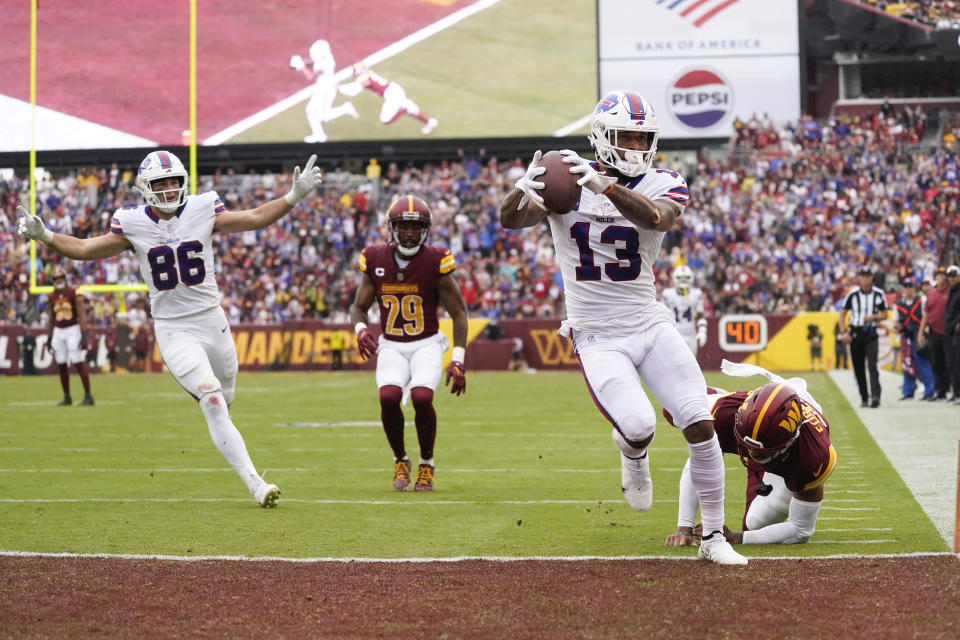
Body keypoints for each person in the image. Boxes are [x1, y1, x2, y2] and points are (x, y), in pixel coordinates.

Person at [499, 90, 746, 565]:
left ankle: (713, 537)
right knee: (639, 426)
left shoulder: (663, 181)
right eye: (626, 136)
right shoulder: (567, 183)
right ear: (603, 137)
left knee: (699, 417)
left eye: (642, 137)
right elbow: (510, 220)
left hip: (649, 321)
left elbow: (659, 216)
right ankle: (632, 453)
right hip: (596, 331)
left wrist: (605, 187)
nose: (635, 145)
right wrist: (523, 187)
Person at [17, 149, 323, 507]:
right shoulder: (131, 222)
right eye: (160, 184)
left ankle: (224, 424)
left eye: (173, 182)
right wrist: (46, 236)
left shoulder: (203, 207)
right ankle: (256, 484)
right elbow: (85, 249)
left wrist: (293, 196)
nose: (168, 189)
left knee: (225, 397)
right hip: (174, 328)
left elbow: (254, 217)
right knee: (210, 398)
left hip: (213, 321)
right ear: (145, 188)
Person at [350, 195, 468, 492]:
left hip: (426, 343)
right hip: (391, 343)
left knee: (422, 398)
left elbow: (459, 313)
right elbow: (357, 307)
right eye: (404, 226)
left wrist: (458, 358)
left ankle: (426, 464)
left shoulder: (435, 260)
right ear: (392, 228)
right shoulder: (375, 258)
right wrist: (361, 328)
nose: (410, 233)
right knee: (388, 397)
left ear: (426, 230)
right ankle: (401, 458)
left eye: (416, 228)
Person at [663, 361, 836, 547]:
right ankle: (715, 395)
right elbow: (700, 457)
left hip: (785, 454)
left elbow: (800, 530)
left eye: (761, 451)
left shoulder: (812, 457)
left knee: (754, 524)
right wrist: (684, 528)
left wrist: (737, 538)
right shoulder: (724, 414)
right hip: (741, 419)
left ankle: (764, 459)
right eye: (750, 447)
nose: (752, 453)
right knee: (674, 412)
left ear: (789, 442)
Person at [289, 38, 359, 143]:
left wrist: (301, 66)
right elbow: (313, 62)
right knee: (320, 115)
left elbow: (310, 76)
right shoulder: (325, 58)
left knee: (314, 112)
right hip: (324, 88)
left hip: (326, 90)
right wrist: (302, 62)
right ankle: (321, 133)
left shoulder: (325, 62)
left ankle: (320, 135)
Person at [338, 63, 438, 134]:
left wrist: (340, 88)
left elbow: (354, 90)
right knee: (412, 109)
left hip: (391, 94)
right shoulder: (368, 72)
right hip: (394, 88)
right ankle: (429, 122)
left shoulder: (364, 77)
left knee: (385, 120)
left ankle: (404, 109)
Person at [43, 267, 95, 406]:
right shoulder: (51, 296)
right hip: (59, 331)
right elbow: (50, 319)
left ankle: (88, 396)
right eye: (55, 278)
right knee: (61, 364)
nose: (58, 280)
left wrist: (84, 334)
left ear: (65, 278)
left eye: (60, 277)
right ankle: (67, 397)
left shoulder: (73, 292)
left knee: (78, 361)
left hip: (73, 329)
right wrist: (49, 338)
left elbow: (82, 313)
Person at [839, 265, 888, 408]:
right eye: (863, 275)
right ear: (859, 278)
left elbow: (885, 314)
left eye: (867, 275)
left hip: (871, 333)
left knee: (873, 365)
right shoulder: (852, 294)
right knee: (858, 367)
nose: (865, 278)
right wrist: (843, 332)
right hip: (855, 333)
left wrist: (874, 317)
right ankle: (864, 397)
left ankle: (875, 396)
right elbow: (842, 313)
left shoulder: (878, 294)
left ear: (871, 277)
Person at [894, 278, 936, 400]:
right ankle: (908, 391)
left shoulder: (921, 300)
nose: (908, 289)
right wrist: (898, 326)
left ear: (914, 288)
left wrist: (922, 334)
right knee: (907, 364)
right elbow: (897, 321)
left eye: (910, 286)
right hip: (906, 336)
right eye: (905, 286)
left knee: (923, 363)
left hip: (919, 336)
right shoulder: (899, 304)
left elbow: (926, 317)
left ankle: (929, 391)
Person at [917, 267, 951, 401]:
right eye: (939, 275)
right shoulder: (931, 294)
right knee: (936, 362)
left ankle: (951, 389)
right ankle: (940, 390)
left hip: (948, 332)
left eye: (943, 275)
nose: (941, 277)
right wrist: (921, 332)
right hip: (933, 332)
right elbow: (926, 314)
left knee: (950, 362)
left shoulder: (951, 292)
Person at [660, 265, 707, 357]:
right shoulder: (668, 294)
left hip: (691, 335)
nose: (683, 281)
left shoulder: (696, 294)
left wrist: (702, 330)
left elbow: (700, 315)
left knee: (691, 366)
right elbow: (662, 316)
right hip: (674, 334)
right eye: (680, 278)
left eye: (686, 278)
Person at [943, 265, 960, 403]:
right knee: (953, 363)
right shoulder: (951, 291)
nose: (952, 278)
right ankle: (956, 392)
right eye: (950, 276)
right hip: (950, 330)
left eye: (954, 276)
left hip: (957, 329)